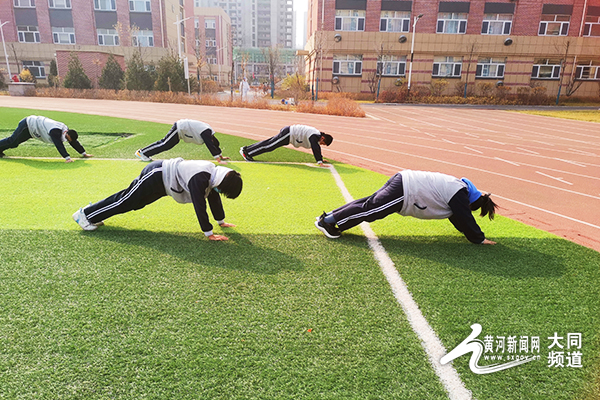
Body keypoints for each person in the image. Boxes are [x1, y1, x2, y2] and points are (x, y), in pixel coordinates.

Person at [72, 158, 243, 241]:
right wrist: (209, 234)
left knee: (133, 203)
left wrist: (221, 221)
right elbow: (200, 204)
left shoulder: (214, 177)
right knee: (125, 200)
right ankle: (85, 215)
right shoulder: (202, 177)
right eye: (224, 190)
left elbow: (213, 198)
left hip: (163, 183)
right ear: (223, 183)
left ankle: (95, 213)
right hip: (156, 175)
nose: (220, 192)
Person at [315, 170, 498, 244]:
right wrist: (479, 239)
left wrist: (467, 232)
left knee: (368, 204)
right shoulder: (459, 193)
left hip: (403, 180)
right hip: (407, 189)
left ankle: (329, 217)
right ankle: (327, 222)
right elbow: (464, 216)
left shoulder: (458, 187)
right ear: (470, 202)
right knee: (371, 210)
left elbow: (458, 218)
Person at [0, 115, 93, 162]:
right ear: (65, 133)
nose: (67, 140)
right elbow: (58, 145)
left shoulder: (66, 131)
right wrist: (67, 158)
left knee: (14, 144)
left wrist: (83, 153)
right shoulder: (55, 131)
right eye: (67, 138)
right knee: (12, 140)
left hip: (33, 131)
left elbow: (73, 142)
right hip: (28, 125)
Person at [135, 119, 230, 163]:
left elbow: (215, 144)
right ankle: (142, 153)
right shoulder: (206, 132)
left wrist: (221, 156)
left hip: (181, 131)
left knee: (166, 144)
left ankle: (144, 152)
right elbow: (210, 145)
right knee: (164, 143)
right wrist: (218, 159)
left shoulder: (209, 134)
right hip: (180, 127)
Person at [239, 125, 333, 167]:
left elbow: (317, 148)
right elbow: (315, 147)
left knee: (269, 144)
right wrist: (319, 162)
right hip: (288, 133)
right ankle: (246, 153)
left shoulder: (316, 136)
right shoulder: (315, 135)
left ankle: (247, 150)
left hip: (289, 136)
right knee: (269, 146)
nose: (321, 144)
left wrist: (320, 158)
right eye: (323, 143)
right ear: (323, 138)